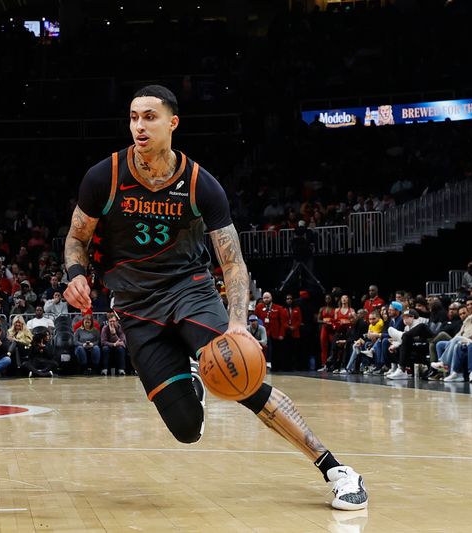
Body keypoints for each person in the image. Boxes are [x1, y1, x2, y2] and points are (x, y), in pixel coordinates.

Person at [62, 85, 367, 510]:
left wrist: (238, 324)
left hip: (188, 291)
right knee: (187, 429)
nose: (139, 126)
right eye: (133, 117)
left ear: (173, 123)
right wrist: (75, 274)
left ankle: (335, 468)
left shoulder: (200, 184)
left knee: (247, 383)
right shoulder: (104, 176)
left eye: (149, 117)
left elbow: (233, 262)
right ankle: (192, 382)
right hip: (135, 308)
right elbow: (77, 237)